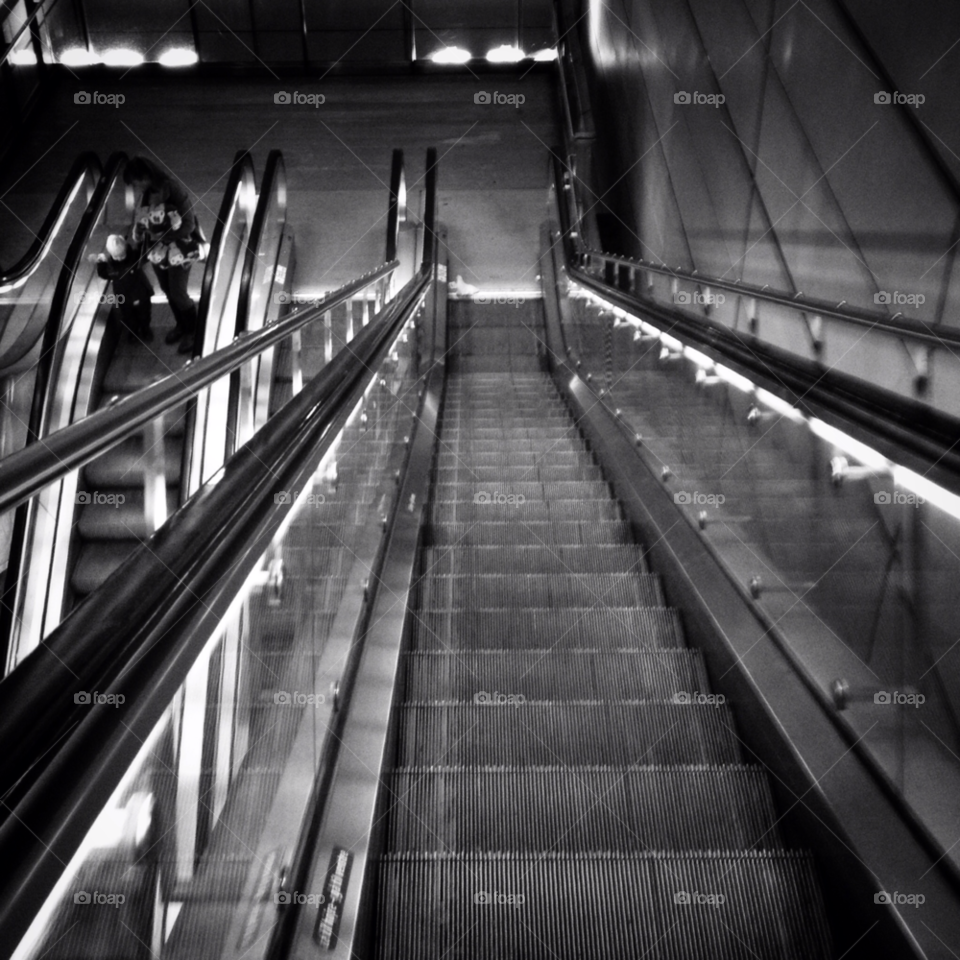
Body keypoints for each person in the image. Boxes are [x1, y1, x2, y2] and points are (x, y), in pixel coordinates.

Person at [123, 156, 201, 354]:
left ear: (147, 176)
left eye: (137, 181)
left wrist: (162, 235)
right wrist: (139, 232)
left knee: (178, 292)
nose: (136, 186)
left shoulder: (172, 189)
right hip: (157, 252)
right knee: (166, 289)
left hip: (179, 250)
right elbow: (142, 218)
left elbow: (189, 224)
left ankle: (194, 331)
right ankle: (181, 325)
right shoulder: (146, 194)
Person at [95, 234, 154, 341]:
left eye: (122, 254)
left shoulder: (135, 256)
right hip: (124, 297)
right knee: (128, 316)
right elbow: (103, 274)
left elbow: (144, 252)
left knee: (144, 313)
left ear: (126, 248)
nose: (119, 258)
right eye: (115, 256)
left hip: (141, 293)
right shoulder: (110, 266)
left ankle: (145, 329)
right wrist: (101, 263)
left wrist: (142, 236)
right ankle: (133, 330)